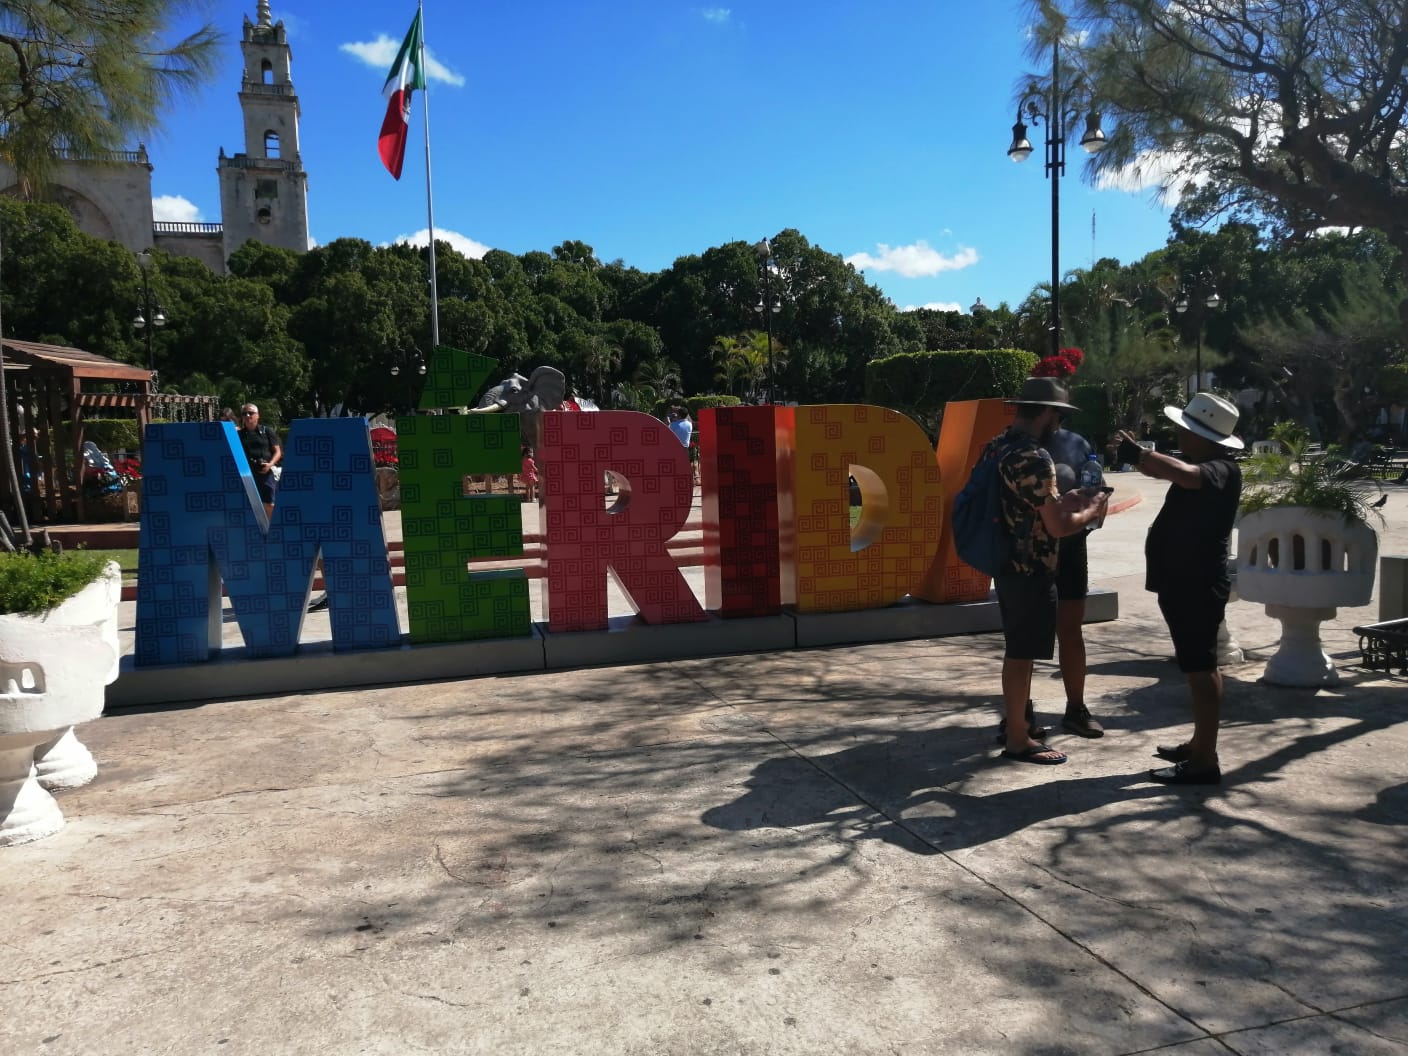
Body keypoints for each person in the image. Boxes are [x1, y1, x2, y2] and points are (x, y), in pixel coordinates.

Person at [1117, 392, 1243, 785]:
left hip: (1196, 584)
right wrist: (1143, 459)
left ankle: (1204, 761)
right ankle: (1200, 744)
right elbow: (1173, 472)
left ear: (1205, 436)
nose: (1179, 434)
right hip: (1187, 582)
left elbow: (1185, 476)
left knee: (1200, 670)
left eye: (1186, 430)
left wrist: (1140, 455)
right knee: (1200, 667)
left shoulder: (1220, 468)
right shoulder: (1204, 463)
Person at [989, 378, 1108, 766]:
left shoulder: (1002, 447)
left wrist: (1075, 505)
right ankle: (1019, 730)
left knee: (1043, 639)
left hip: (1054, 556)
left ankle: (1068, 711)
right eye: (1056, 411)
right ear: (1046, 411)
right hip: (1032, 559)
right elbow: (1056, 522)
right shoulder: (1030, 454)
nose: (1059, 418)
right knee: (1022, 648)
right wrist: (1090, 512)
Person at [1045, 425, 1105, 738]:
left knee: (1070, 630)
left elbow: (1098, 495)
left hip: (1071, 549)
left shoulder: (1077, 443)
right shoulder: (1011, 445)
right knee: (1026, 635)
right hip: (1028, 553)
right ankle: (1019, 714)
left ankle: (1076, 709)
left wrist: (1092, 509)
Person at [237, 403, 282, 518]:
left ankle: (271, 529)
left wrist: (270, 464)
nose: (247, 416)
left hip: (266, 472)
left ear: (257, 415)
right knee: (252, 504)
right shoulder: (239, 435)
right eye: (244, 414)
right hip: (247, 473)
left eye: (251, 413)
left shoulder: (267, 431)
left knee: (270, 503)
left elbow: (277, 451)